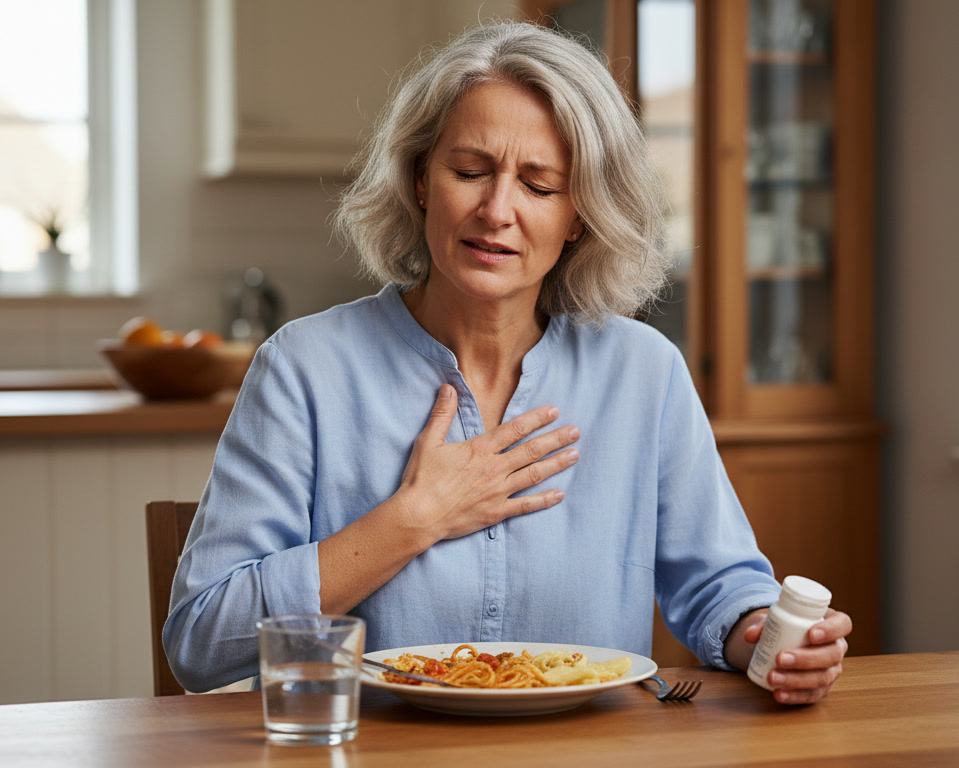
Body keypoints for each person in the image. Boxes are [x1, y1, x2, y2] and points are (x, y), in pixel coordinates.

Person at [164, 20, 851, 705]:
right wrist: (413, 520)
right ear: (421, 180)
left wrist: (769, 635)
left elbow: (720, 587)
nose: (498, 210)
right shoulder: (302, 368)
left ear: (580, 214)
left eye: (540, 186)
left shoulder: (646, 372)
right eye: (469, 171)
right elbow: (200, 642)